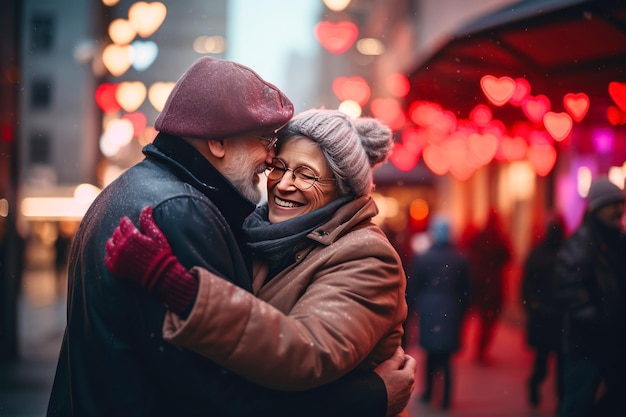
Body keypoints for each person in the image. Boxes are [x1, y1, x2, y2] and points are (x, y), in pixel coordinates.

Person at [47, 57, 415, 417]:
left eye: (306, 174)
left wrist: (185, 290)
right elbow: (216, 393)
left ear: (344, 190)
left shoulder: (364, 255)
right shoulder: (182, 211)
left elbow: (306, 351)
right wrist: (368, 398)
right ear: (219, 142)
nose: (277, 174)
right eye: (273, 154)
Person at [554, 177, 626, 417]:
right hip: (586, 343)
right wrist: (597, 319)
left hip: (613, 341)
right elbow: (569, 289)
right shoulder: (582, 243)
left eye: (620, 203)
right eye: (611, 204)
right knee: (577, 403)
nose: (618, 210)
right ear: (596, 208)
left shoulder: (617, 241)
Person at [406, 215, 471, 410]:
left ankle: (428, 393)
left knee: (430, 354)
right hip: (451, 309)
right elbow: (467, 289)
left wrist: (413, 310)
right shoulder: (460, 258)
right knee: (447, 357)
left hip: (429, 308)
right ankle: (445, 399)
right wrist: (462, 310)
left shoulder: (423, 258)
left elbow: (413, 286)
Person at [521, 215, 565, 409]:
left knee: (560, 365)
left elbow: (526, 283)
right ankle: (535, 386)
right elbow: (527, 283)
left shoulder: (565, 252)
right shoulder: (542, 253)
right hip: (546, 316)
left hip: (558, 316)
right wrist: (533, 304)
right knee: (543, 364)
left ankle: (561, 400)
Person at [463, 209, 511, 364]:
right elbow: (508, 256)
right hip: (493, 285)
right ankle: (482, 350)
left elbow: (469, 253)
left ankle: (480, 349)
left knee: (484, 318)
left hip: (481, 284)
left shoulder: (480, 236)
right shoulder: (499, 238)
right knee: (489, 320)